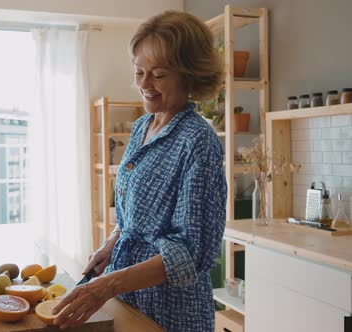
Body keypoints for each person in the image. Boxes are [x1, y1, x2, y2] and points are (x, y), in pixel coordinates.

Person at [53, 11, 226, 332]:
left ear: (189, 75)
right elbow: (134, 217)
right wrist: (111, 244)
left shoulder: (198, 141)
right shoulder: (142, 126)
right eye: (139, 71)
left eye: (158, 74)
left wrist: (106, 286)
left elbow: (191, 254)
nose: (145, 84)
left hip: (171, 310)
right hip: (128, 295)